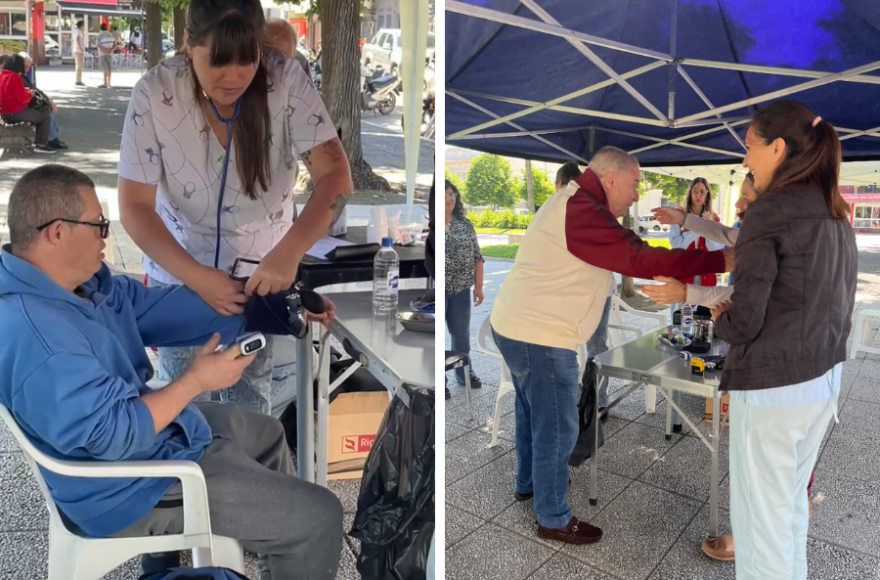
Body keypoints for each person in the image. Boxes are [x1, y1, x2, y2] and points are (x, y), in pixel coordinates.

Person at [0, 164, 343, 580]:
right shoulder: (39, 335)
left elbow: (157, 309)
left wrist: (273, 305)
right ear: (57, 231)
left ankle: (268, 537)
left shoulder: (81, 289)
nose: (105, 237)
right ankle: (290, 532)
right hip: (124, 486)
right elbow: (114, 435)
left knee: (267, 433)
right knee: (319, 515)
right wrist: (197, 381)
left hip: (148, 442)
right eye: (98, 225)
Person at [118, 0, 352, 417]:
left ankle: (252, 479)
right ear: (189, 44)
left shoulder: (285, 80)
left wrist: (288, 253)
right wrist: (196, 277)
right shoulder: (155, 94)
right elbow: (135, 207)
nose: (234, 76)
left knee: (251, 412)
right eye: (218, 62)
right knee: (185, 410)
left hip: (259, 281)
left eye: (247, 59)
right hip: (180, 277)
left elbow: (336, 179)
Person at [489, 146, 733, 545]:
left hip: (518, 326)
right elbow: (638, 257)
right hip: (540, 335)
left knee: (532, 412)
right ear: (612, 178)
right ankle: (552, 516)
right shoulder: (580, 209)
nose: (638, 194)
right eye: (636, 184)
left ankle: (528, 485)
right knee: (556, 426)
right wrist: (721, 260)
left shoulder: (579, 202)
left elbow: (624, 248)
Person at [710, 100, 856, 580]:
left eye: (749, 147)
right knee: (789, 510)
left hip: (776, 389)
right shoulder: (834, 210)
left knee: (760, 524)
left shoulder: (769, 212)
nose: (745, 159)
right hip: (822, 380)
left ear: (777, 147)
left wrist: (721, 321)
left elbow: (747, 317)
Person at [556, 160, 615, 418]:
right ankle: (594, 398)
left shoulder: (568, 211)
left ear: (561, 185)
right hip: (592, 290)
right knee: (593, 344)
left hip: (588, 291)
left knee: (587, 344)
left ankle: (594, 398)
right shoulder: (597, 209)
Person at [445, 179, 483, 398]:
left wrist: (478, 287)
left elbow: (478, 257)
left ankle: (463, 372)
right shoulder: (429, 224)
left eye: (453, 194)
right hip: (436, 290)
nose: (450, 199)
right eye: (445, 195)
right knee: (433, 335)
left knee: (461, 334)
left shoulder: (465, 224)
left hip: (460, 289)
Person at [667, 177, 724, 316]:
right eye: (695, 191)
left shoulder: (714, 218)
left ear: (707, 195)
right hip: (683, 273)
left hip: (706, 275)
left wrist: (709, 226)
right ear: (690, 193)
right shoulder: (678, 215)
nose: (699, 195)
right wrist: (697, 227)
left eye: (702, 192)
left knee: (703, 318)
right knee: (680, 317)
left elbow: (717, 249)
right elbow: (676, 245)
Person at [1, 54, 67, 150]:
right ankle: (41, 144)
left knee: (41, 113)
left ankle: (46, 140)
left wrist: (27, 92)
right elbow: (22, 98)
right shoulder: (14, 77)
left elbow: (14, 93)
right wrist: (30, 94)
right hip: (14, 112)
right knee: (45, 115)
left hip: (5, 113)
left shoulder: (3, 75)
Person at [96, 23, 116, 89]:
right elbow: (115, 44)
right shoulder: (111, 35)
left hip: (102, 54)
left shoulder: (99, 35)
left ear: (100, 28)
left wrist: (105, 50)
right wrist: (111, 50)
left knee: (105, 68)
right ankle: (109, 83)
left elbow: (98, 45)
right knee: (109, 68)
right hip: (110, 54)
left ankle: (105, 83)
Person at [73, 20, 85, 86]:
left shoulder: (77, 31)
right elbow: (77, 39)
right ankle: (78, 81)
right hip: (79, 50)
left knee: (79, 66)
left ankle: (79, 80)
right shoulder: (78, 31)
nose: (84, 27)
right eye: (83, 26)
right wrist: (80, 48)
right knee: (79, 66)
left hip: (78, 50)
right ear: (81, 26)